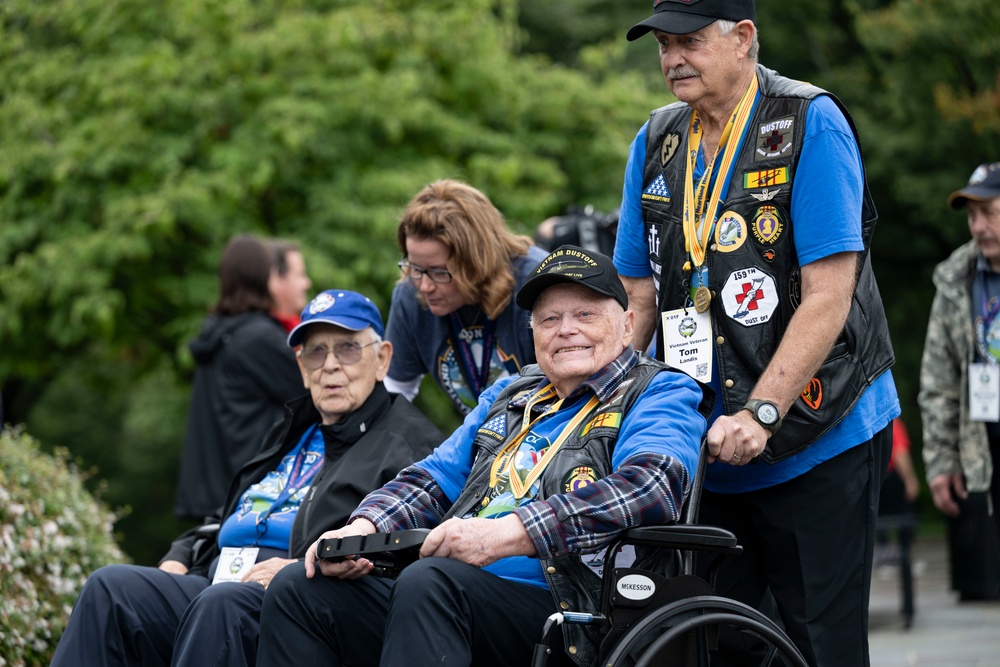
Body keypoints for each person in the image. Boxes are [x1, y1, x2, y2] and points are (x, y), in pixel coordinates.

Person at [256, 245, 709, 667]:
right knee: (300, 587)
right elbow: (432, 478)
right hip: (453, 593)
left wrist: (508, 534)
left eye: (585, 314)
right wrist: (363, 527)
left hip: (575, 610)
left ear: (628, 325)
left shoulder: (658, 389)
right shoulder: (512, 394)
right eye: (549, 319)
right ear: (533, 332)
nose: (566, 329)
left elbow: (651, 485)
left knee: (429, 581)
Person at [614, 1, 899, 664]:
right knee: (716, 643)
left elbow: (831, 294)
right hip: (705, 445)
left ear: (743, 38)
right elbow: (636, 297)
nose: (671, 59)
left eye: (687, 41)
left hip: (816, 434)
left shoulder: (807, 121)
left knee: (816, 646)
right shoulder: (656, 139)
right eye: (662, 45)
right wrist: (603, 408)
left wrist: (763, 410)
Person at [51, 289, 444, 667]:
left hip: (295, 601)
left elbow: (406, 551)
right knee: (111, 589)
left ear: (383, 359)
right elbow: (227, 515)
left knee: (222, 605)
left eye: (347, 348)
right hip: (217, 577)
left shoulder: (409, 444)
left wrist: (294, 569)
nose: (329, 365)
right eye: (315, 352)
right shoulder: (291, 430)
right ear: (301, 367)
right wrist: (180, 555)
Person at [383, 179, 548, 415]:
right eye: (415, 268)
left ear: (476, 262)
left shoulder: (539, 283)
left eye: (440, 272)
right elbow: (394, 390)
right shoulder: (410, 293)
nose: (424, 286)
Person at [175, 234, 307, 519]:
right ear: (264, 277)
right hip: (246, 495)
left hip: (212, 490)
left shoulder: (218, 331)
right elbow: (311, 393)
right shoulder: (258, 338)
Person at [919, 161, 1000, 600]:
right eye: (971, 216)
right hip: (983, 444)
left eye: (989, 212)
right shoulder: (955, 277)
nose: (979, 226)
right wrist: (941, 461)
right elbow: (938, 380)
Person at [268, 238, 313, 333]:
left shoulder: (296, 327)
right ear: (277, 279)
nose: (308, 284)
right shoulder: (266, 334)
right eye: (301, 275)